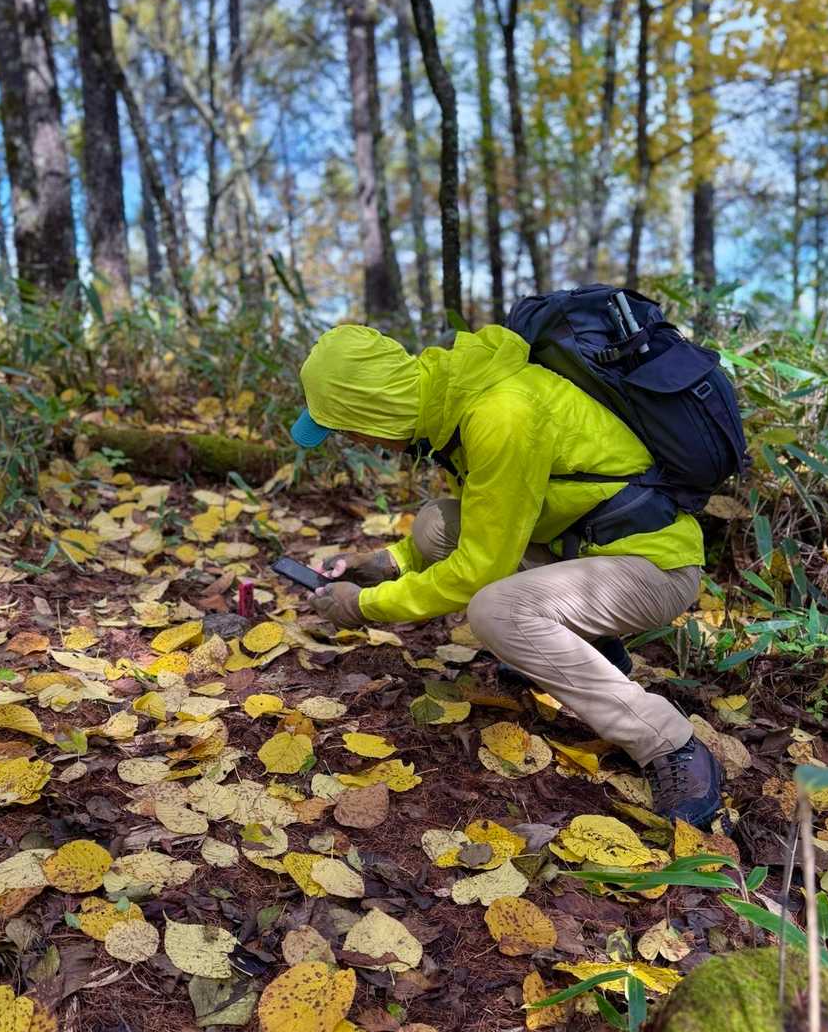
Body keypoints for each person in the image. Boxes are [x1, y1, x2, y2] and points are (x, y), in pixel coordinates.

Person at [289, 321, 723, 827]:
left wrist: (363, 606)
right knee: (436, 525)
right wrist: (388, 562)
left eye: (346, 428)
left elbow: (477, 572)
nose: (353, 440)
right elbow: (485, 522)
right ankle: (593, 648)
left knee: (495, 611)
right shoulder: (455, 397)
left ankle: (670, 743)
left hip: (654, 567)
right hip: (588, 551)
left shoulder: (501, 414)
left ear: (374, 411)